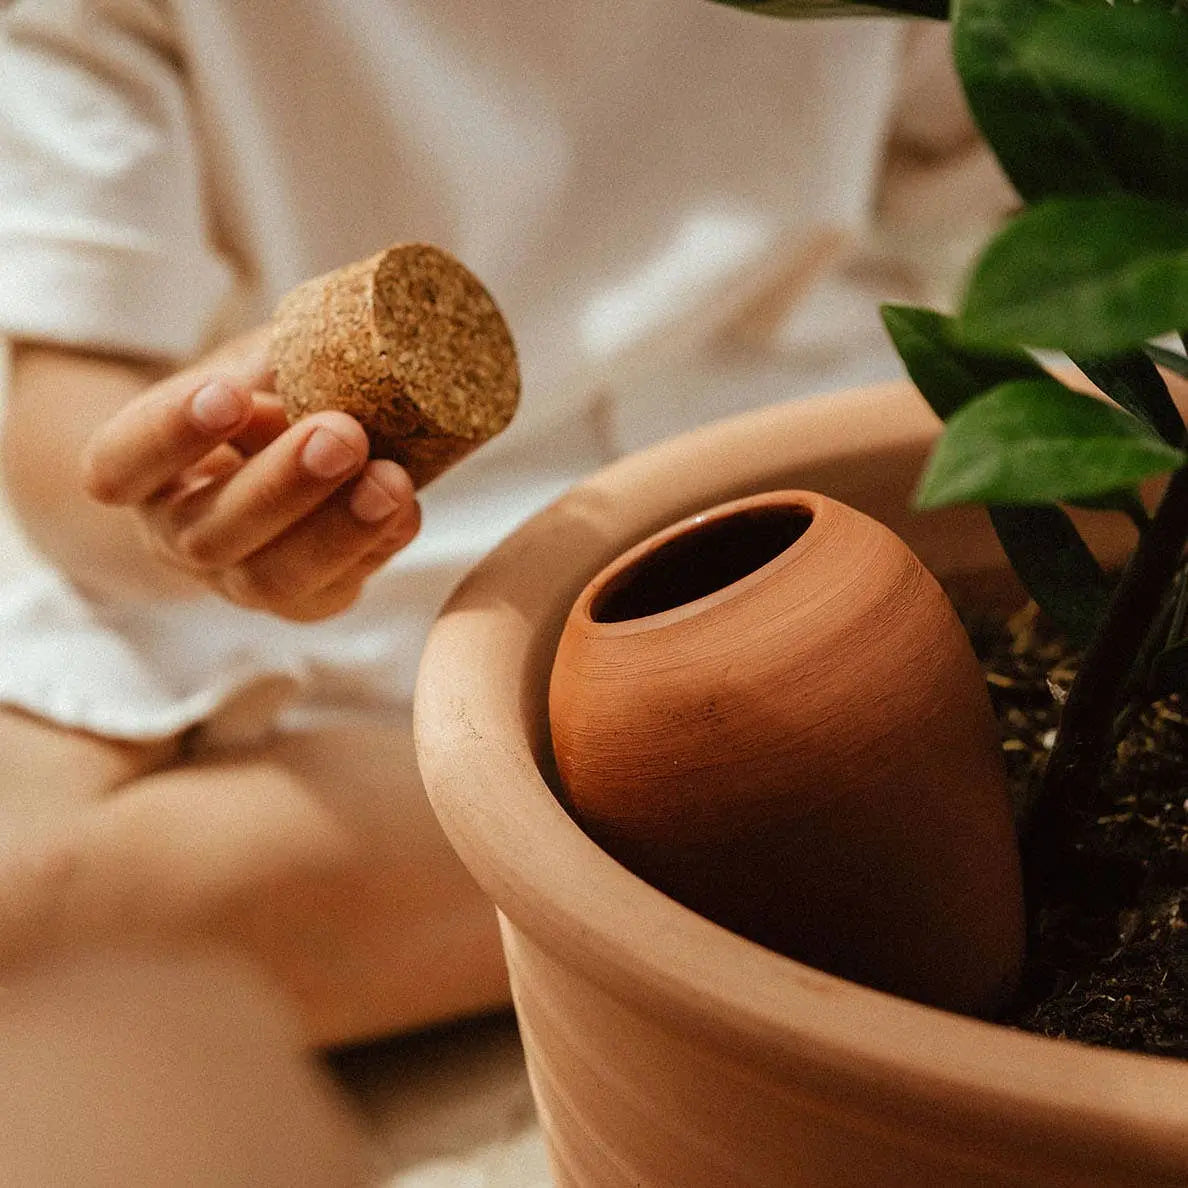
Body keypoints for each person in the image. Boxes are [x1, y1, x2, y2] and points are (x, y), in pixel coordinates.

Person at [0, 1, 1011, 1048]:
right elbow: (65, 414)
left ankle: (736, 824)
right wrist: (185, 526)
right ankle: (757, 847)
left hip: (764, 496)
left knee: (60, 939)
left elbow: (1037, 189)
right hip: (324, 552)